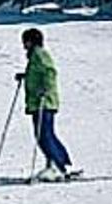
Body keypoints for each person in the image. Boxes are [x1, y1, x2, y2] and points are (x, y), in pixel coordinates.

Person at [17, 28, 79, 181]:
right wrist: (26, 76)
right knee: (45, 135)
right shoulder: (35, 55)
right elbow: (39, 72)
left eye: (25, 41)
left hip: (44, 101)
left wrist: (45, 88)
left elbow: (50, 71)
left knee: (44, 135)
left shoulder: (39, 54)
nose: (24, 45)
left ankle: (58, 166)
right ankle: (60, 164)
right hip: (39, 102)